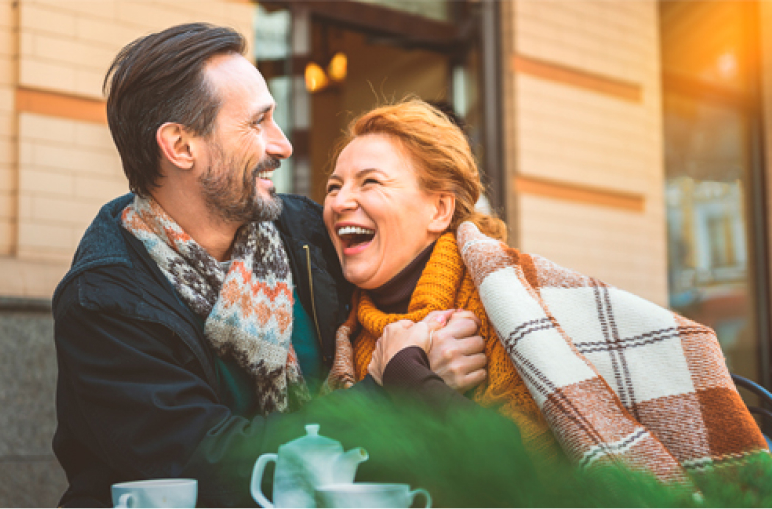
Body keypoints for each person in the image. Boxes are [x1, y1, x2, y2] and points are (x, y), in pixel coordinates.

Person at [52, 24, 491, 507]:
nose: (282, 145)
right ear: (180, 146)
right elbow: (216, 466)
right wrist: (391, 390)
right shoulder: (106, 300)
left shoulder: (304, 233)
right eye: (257, 123)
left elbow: (413, 255)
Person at [322, 98, 769, 486]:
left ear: (439, 209)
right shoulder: (341, 328)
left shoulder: (508, 308)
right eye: (334, 186)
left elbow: (522, 480)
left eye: (370, 182)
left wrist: (406, 374)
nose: (341, 201)